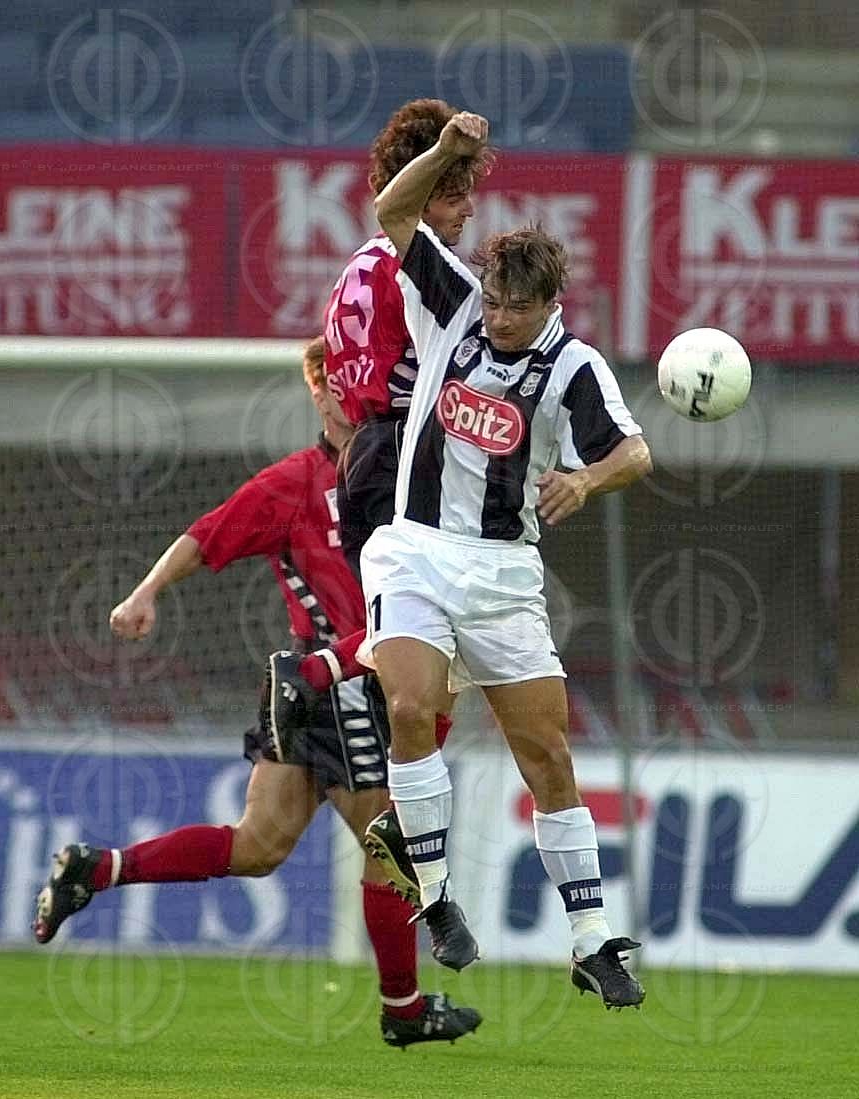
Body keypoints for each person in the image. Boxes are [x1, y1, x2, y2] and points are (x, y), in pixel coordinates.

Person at [32, 339, 482, 1048]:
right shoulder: (294, 483)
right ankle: (403, 1009)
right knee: (390, 846)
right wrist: (146, 591)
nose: (353, 391)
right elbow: (206, 535)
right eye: (338, 381)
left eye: (360, 377)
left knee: (257, 845)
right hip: (334, 683)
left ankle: (97, 868)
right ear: (319, 393)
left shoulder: (404, 471)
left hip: (329, 683)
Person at [361, 111, 653, 1009]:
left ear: (549, 305)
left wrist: (586, 478)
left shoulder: (575, 367)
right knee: (410, 705)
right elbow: (391, 212)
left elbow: (635, 452)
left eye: (513, 308)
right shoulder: (452, 303)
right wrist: (446, 154)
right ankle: (437, 897)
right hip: (415, 549)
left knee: (547, 754)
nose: (495, 316)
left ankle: (591, 941)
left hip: (504, 575)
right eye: (490, 300)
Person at [263, 98, 493, 925]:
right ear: (423, 186)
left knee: (421, 644)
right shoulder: (414, 262)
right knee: (457, 631)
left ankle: (327, 685)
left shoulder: (356, 267)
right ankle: (321, 678)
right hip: (406, 458)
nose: (468, 209)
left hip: (364, 454)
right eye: (456, 191)